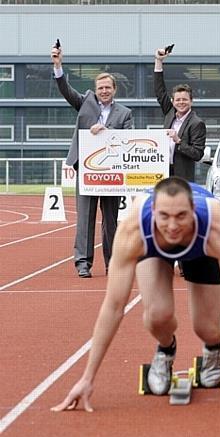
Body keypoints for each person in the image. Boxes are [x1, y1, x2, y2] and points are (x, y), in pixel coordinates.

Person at [51, 177, 220, 412]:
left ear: (193, 210)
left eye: (181, 216)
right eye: (164, 216)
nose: (172, 226)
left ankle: (214, 345)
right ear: (153, 212)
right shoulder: (133, 231)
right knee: (157, 315)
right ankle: (165, 351)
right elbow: (114, 306)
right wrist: (87, 379)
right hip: (154, 250)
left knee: (206, 328)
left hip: (202, 249)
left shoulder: (219, 230)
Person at [52, 44, 133, 278]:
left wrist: (106, 131)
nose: (104, 91)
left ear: (114, 90)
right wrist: (58, 66)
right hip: (87, 171)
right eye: (100, 87)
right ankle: (83, 263)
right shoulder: (85, 101)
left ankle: (113, 263)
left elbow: (128, 140)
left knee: (110, 220)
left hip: (112, 174)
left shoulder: (125, 113)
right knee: (85, 218)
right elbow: (66, 90)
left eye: (108, 87)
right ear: (95, 89)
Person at [154, 47, 205, 181]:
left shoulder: (196, 123)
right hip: (164, 172)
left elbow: (198, 154)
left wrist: (178, 141)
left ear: (191, 101)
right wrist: (158, 61)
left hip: (182, 177)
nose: (181, 102)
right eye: (178, 100)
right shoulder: (170, 113)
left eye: (184, 99)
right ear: (173, 101)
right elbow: (160, 92)